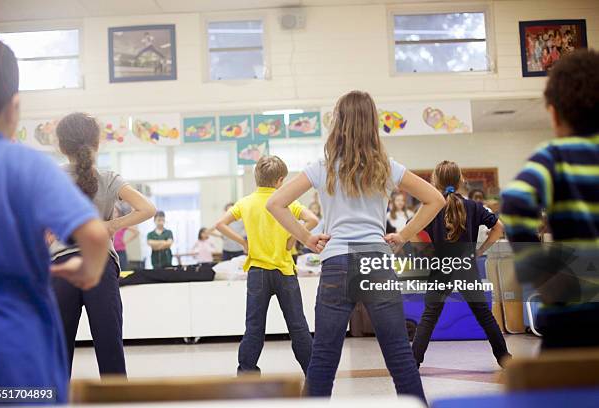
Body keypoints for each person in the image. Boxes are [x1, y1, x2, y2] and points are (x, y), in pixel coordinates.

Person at [267, 90, 444, 400]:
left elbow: (276, 203)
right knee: (400, 354)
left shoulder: (321, 167)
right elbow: (435, 199)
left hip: (336, 263)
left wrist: (307, 237)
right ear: (373, 123)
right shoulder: (387, 166)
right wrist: (402, 235)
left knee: (323, 357)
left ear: (339, 122)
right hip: (376, 262)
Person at [0, 34, 110, 403]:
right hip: (14, 349)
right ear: (14, 107)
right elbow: (94, 235)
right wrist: (88, 271)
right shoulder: (27, 166)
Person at [501, 49, 599, 349]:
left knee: (558, 391)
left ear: (553, 112)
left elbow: (516, 200)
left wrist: (537, 270)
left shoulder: (554, 156)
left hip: (572, 310)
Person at [50, 112, 156, 377]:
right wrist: (110, 227)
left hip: (62, 270)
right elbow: (148, 208)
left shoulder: (50, 177)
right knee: (110, 348)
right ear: (97, 144)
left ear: (62, 146)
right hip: (101, 269)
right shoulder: (109, 178)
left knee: (58, 352)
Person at [216, 155, 319, 375]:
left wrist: (243, 242)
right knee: (298, 327)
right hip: (285, 272)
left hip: (257, 273)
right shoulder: (287, 201)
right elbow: (313, 219)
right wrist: (293, 238)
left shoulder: (245, 202)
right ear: (280, 180)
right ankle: (313, 372)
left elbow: (220, 224)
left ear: (257, 177)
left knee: (254, 328)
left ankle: (246, 373)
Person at [411, 161, 511, 368]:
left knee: (429, 316)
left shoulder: (430, 208)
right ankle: (505, 359)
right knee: (484, 314)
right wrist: (480, 251)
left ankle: (413, 362)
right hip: (467, 264)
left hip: (441, 265)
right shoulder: (474, 207)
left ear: (434, 182)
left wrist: (428, 252)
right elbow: (499, 228)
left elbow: (410, 231)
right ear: (461, 181)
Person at [113, 203, 140, 271]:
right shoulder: (108, 223)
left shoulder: (122, 223)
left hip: (121, 251)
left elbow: (136, 232)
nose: (114, 214)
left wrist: (126, 241)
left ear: (119, 213)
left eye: (115, 212)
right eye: (113, 212)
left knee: (123, 269)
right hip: (112, 251)